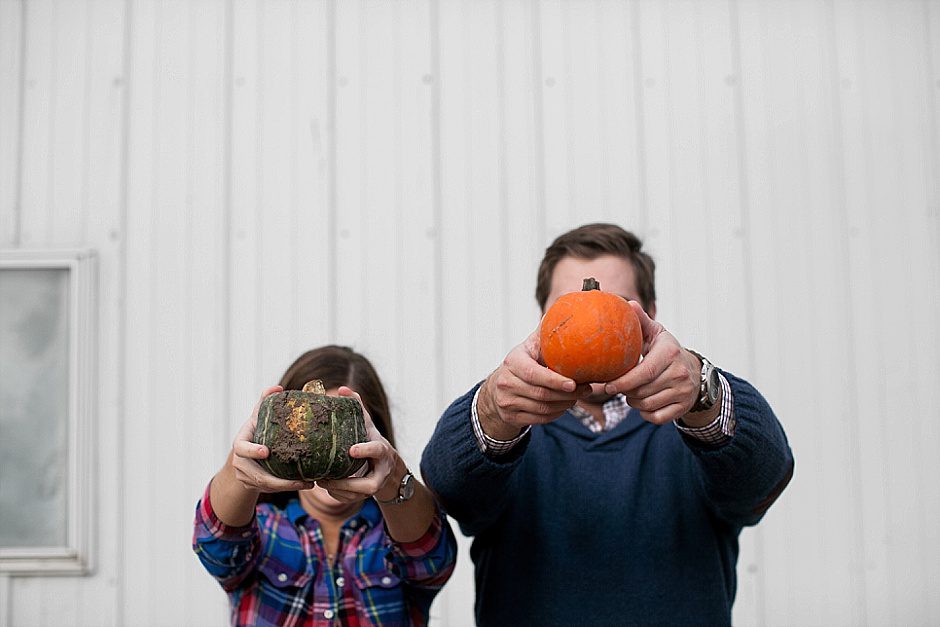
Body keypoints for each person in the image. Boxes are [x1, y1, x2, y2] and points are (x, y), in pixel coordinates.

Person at [420, 223, 794, 626]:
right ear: (545, 320)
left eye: (614, 304)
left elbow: (766, 477)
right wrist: (491, 409)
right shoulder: (512, 427)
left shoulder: (692, 420)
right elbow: (447, 489)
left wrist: (705, 389)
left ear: (649, 314)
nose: (593, 322)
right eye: (572, 306)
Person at [194, 345, 457, 627]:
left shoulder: (398, 532)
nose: (325, 442)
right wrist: (243, 460)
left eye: (344, 429)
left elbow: (432, 558)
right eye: (310, 429)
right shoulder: (265, 528)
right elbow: (215, 541)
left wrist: (393, 477)